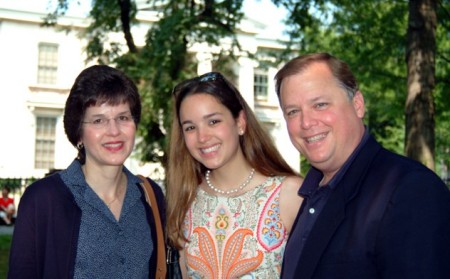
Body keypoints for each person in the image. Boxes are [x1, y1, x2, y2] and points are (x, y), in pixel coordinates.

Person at [275, 52, 450, 278]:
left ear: (357, 104)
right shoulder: (309, 196)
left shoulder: (411, 189)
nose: (306, 122)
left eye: (320, 104)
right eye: (293, 112)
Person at [8, 65, 166, 279]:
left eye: (123, 118)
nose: (114, 131)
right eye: (98, 120)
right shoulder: (42, 200)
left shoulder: (149, 196)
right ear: (79, 134)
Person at [166, 71, 303, 278]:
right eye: (191, 127)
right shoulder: (184, 201)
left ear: (240, 122)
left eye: (213, 122)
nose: (202, 137)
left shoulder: (290, 194)